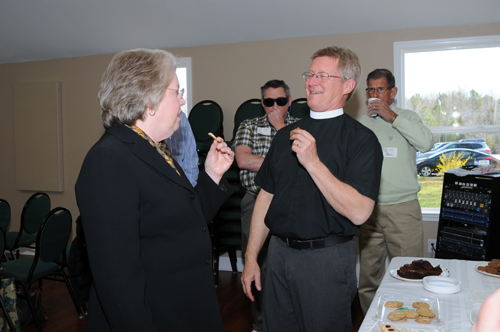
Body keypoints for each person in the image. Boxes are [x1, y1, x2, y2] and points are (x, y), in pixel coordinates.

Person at [75, 48, 234, 332]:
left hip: (182, 307)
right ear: (149, 100)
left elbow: (186, 220)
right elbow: (117, 278)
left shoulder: (155, 149)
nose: (183, 101)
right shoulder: (108, 160)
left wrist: (212, 174)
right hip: (155, 316)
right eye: (176, 92)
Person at [241, 46, 383, 332]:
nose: (311, 81)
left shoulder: (361, 140)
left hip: (325, 262)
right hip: (278, 256)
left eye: (322, 75)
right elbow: (266, 198)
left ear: (347, 85)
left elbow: (359, 212)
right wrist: (251, 257)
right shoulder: (284, 137)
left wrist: (313, 163)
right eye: (310, 74)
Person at [357, 68, 434, 314]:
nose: (374, 94)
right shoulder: (362, 123)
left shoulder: (407, 117)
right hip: (369, 210)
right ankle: (374, 323)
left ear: (393, 92)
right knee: (368, 278)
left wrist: (392, 117)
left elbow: (426, 143)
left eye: (380, 89)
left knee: (410, 274)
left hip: (403, 209)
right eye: (370, 89)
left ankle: (409, 322)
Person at [232, 79, 298, 332]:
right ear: (262, 102)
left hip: (290, 202)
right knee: (256, 263)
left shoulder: (299, 127)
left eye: (280, 101)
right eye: (269, 102)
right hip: (254, 198)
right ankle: (260, 325)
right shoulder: (249, 125)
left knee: (289, 264)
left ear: (289, 102)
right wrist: (283, 161)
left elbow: (307, 161)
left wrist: (280, 127)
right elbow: (243, 160)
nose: (274, 107)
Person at [166, 110, 199, 186]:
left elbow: (190, 158)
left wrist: (189, 187)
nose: (183, 102)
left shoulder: (181, 117)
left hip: (181, 184)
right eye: (176, 97)